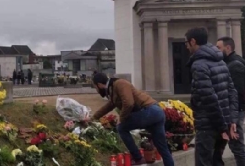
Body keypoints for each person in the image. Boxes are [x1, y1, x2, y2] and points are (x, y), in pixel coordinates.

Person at [91, 73, 174, 166]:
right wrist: (93, 118)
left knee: (121, 128)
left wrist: (121, 118)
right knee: (162, 147)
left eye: (95, 87)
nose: (96, 89)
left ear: (99, 84)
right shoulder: (112, 88)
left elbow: (129, 102)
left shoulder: (119, 83)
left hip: (149, 111)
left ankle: (138, 158)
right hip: (156, 113)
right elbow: (109, 106)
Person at [185, 28, 238, 166]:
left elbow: (208, 98)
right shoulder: (221, 61)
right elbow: (232, 92)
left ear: (193, 41)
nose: (185, 46)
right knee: (217, 161)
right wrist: (231, 120)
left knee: (204, 162)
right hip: (223, 122)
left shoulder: (199, 65)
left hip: (208, 125)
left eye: (186, 43)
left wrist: (221, 127)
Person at [216, 36, 245, 165]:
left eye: (219, 48)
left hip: (236, 112)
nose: (216, 50)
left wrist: (234, 117)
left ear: (228, 48)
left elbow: (237, 93)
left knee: (237, 146)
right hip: (232, 111)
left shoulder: (235, 65)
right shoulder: (229, 63)